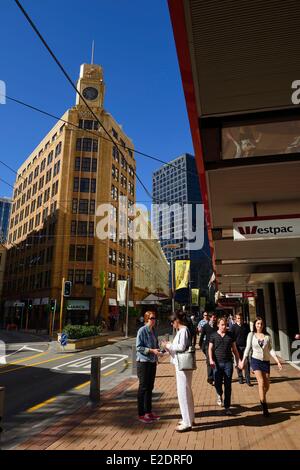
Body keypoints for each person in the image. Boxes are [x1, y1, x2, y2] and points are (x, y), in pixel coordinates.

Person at [240, 316, 282, 417]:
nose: (260, 325)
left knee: (267, 385)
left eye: (261, 324)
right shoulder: (251, 335)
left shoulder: (267, 336)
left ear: (263, 325)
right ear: (255, 325)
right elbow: (247, 348)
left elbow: (271, 349)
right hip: (255, 361)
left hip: (265, 362)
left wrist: (277, 361)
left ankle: (262, 397)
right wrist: (243, 361)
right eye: (258, 323)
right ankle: (264, 406)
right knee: (261, 382)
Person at [162, 311, 195, 432]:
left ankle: (187, 422)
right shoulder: (181, 331)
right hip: (180, 364)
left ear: (177, 320)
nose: (172, 324)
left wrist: (168, 345)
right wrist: (168, 347)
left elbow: (181, 347)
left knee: (183, 393)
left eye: (172, 322)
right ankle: (189, 418)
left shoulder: (183, 330)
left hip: (182, 365)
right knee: (186, 391)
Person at [209, 317, 241, 415]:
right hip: (217, 364)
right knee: (217, 383)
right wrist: (211, 360)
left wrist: (238, 361)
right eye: (222, 325)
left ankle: (227, 407)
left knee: (228, 385)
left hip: (228, 363)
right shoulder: (213, 335)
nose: (224, 327)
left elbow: (235, 350)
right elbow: (210, 349)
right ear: (218, 325)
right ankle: (219, 393)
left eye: (225, 324)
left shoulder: (230, 335)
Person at [136, 311, 161, 423]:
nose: (153, 320)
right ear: (146, 319)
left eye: (155, 318)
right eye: (151, 318)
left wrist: (159, 353)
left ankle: (148, 412)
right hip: (143, 362)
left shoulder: (153, 331)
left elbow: (155, 346)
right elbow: (139, 347)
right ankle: (141, 414)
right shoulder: (142, 330)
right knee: (143, 387)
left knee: (150, 387)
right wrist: (151, 351)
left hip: (152, 361)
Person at [230, 313, 251, 386]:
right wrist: (232, 347)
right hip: (237, 348)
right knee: (238, 362)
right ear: (235, 319)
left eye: (241, 318)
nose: (240, 320)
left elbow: (249, 336)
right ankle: (240, 378)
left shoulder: (246, 326)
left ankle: (248, 379)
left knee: (247, 363)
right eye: (238, 318)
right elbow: (231, 338)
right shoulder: (233, 327)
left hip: (245, 347)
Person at [199, 312, 218, 384]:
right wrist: (201, 345)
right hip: (207, 346)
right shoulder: (205, 326)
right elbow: (202, 336)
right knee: (209, 361)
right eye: (213, 317)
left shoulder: (217, 326)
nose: (214, 319)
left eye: (215, 317)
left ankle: (216, 376)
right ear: (210, 318)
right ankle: (210, 378)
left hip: (216, 346)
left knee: (216, 361)